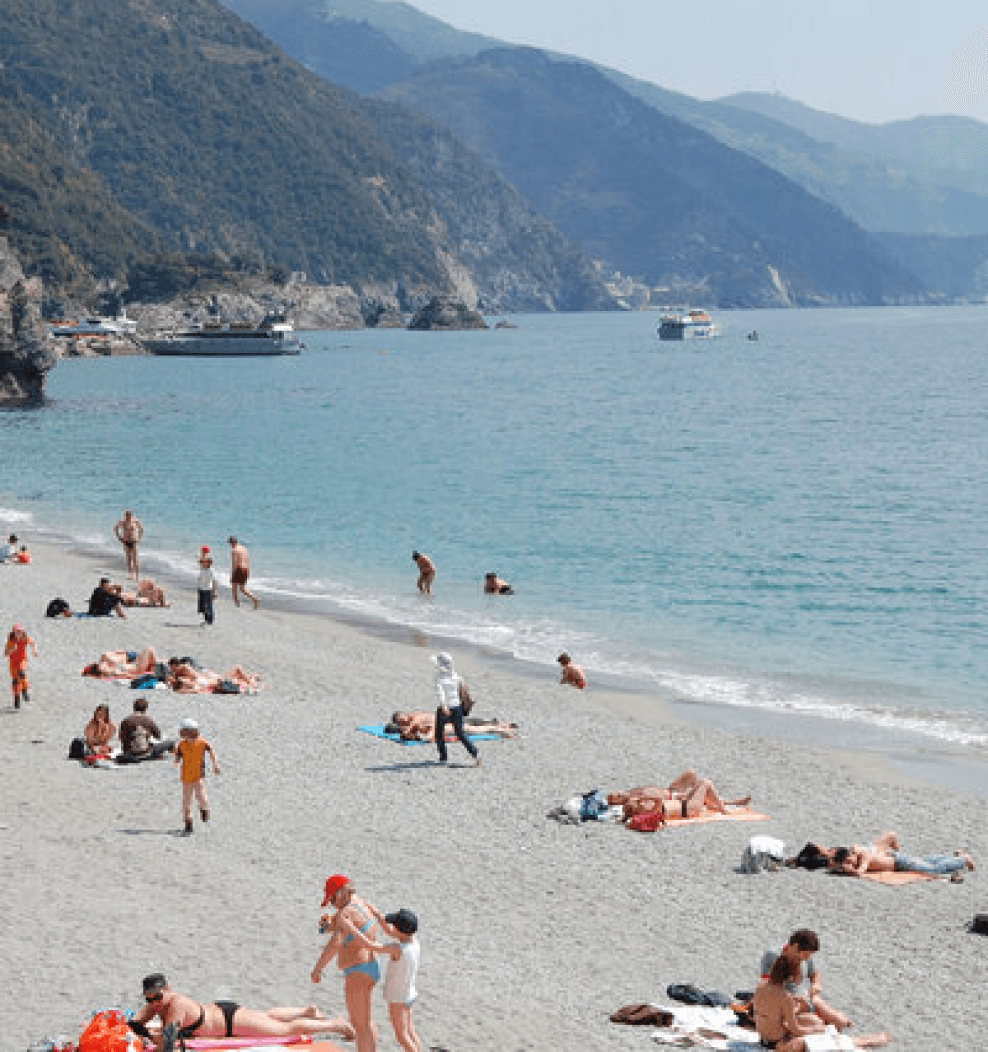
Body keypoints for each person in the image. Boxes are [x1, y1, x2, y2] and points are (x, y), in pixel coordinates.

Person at [127, 973, 353, 1047]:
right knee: (265, 1017)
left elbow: (167, 1044)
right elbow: (134, 1026)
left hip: (229, 1022)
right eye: (149, 999)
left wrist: (147, 1037)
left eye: (157, 997)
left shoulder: (176, 1004)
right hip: (222, 1012)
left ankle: (335, 1025)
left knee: (282, 1030)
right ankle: (307, 1010)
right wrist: (140, 1031)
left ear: (168, 989)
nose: (154, 1003)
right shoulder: (154, 1006)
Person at [312, 874, 387, 1052]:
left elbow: (335, 944)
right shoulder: (360, 903)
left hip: (357, 971)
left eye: (331, 899)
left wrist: (318, 969)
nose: (331, 904)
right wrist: (331, 923)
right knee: (366, 1022)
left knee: (360, 1026)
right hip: (370, 966)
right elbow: (354, 925)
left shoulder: (346, 912)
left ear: (339, 895)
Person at [754, 954, 891, 1050]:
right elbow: (795, 1029)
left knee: (814, 1020)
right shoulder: (785, 998)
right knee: (823, 1032)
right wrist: (817, 1030)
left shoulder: (762, 986)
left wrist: (795, 1006)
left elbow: (769, 1011)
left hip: (764, 1038)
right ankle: (864, 1041)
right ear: (790, 975)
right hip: (780, 1044)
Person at [760, 929, 851, 1032]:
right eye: (806, 954)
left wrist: (816, 985)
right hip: (787, 1004)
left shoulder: (805, 958)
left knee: (842, 1022)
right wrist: (795, 1001)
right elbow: (767, 986)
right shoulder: (773, 956)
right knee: (819, 1024)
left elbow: (814, 973)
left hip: (806, 1001)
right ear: (795, 947)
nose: (808, 958)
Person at [365, 905, 423, 1052]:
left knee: (402, 1036)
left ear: (400, 931)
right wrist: (379, 915)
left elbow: (371, 945)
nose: (391, 927)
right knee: (410, 1032)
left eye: (394, 925)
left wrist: (350, 928)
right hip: (410, 994)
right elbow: (391, 932)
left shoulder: (397, 949)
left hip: (398, 999)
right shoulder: (414, 942)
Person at [608, 770, 752, 821]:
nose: (619, 793)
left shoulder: (633, 793)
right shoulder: (637, 803)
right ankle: (724, 806)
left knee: (691, 773)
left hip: (671, 791)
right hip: (676, 800)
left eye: (616, 792)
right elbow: (658, 803)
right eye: (617, 796)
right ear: (618, 803)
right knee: (705, 784)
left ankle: (711, 799)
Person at [831, 834, 976, 879]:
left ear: (851, 855)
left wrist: (849, 870)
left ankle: (963, 860)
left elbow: (861, 872)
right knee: (925, 861)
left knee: (931, 869)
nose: (849, 863)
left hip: (900, 862)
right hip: (898, 862)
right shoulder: (856, 855)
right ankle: (956, 857)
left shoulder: (864, 856)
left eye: (848, 860)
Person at [432, 652, 480, 766]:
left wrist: (443, 705)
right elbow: (463, 692)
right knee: (460, 733)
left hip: (446, 707)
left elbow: (441, 693)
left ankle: (443, 758)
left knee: (439, 732)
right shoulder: (457, 676)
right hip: (457, 707)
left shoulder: (439, 677)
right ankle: (475, 753)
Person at [174, 718, 220, 835]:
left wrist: (215, 764)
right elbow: (178, 754)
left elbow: (211, 750)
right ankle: (188, 822)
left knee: (202, 797)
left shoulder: (202, 742)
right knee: (187, 802)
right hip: (186, 777)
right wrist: (176, 761)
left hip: (198, 776)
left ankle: (204, 810)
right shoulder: (182, 744)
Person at [386, 709, 518, 741]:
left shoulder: (415, 715)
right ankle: (501, 728)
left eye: (401, 718)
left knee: (476, 722)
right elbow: (410, 730)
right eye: (400, 721)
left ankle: (503, 725)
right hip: (446, 722)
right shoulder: (412, 722)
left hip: (448, 718)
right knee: (474, 727)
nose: (402, 720)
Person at [117, 696, 175, 763]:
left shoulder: (126, 721)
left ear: (134, 708)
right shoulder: (147, 720)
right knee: (170, 743)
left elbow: (121, 738)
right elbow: (158, 736)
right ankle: (176, 757)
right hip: (146, 752)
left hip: (130, 753)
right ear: (145, 709)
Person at [5, 624, 38, 709]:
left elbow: (32, 642)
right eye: (17, 632)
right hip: (13, 663)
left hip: (22, 660)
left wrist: (34, 650)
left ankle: (24, 691)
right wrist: (11, 649)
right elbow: (5, 653)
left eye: (20, 631)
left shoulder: (25, 638)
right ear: (14, 632)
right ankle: (16, 698)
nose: (19, 633)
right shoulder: (10, 640)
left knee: (22, 674)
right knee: (15, 681)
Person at [228, 536, 259, 608]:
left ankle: (236, 602)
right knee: (242, 588)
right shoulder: (245, 549)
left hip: (239, 568)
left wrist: (232, 574)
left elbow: (234, 563)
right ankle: (254, 598)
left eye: (230, 544)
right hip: (246, 569)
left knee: (234, 586)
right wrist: (248, 572)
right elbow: (248, 561)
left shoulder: (234, 550)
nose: (230, 545)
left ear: (232, 543)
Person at [114, 510, 144, 579]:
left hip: (134, 541)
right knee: (129, 558)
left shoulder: (135, 521)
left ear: (131, 516)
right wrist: (119, 538)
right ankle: (131, 574)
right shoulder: (122, 522)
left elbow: (141, 529)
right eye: (127, 516)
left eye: (129, 516)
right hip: (126, 541)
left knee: (135, 558)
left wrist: (139, 537)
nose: (128, 518)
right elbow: (116, 528)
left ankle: (137, 575)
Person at [196, 547, 217, 625]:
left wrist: (215, 591)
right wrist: (204, 553)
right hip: (201, 588)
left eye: (205, 562)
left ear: (209, 563)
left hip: (208, 590)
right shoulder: (202, 568)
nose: (203, 563)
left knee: (208, 605)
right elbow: (199, 560)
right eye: (202, 562)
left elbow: (215, 581)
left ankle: (210, 620)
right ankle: (206, 619)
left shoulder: (211, 570)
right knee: (202, 606)